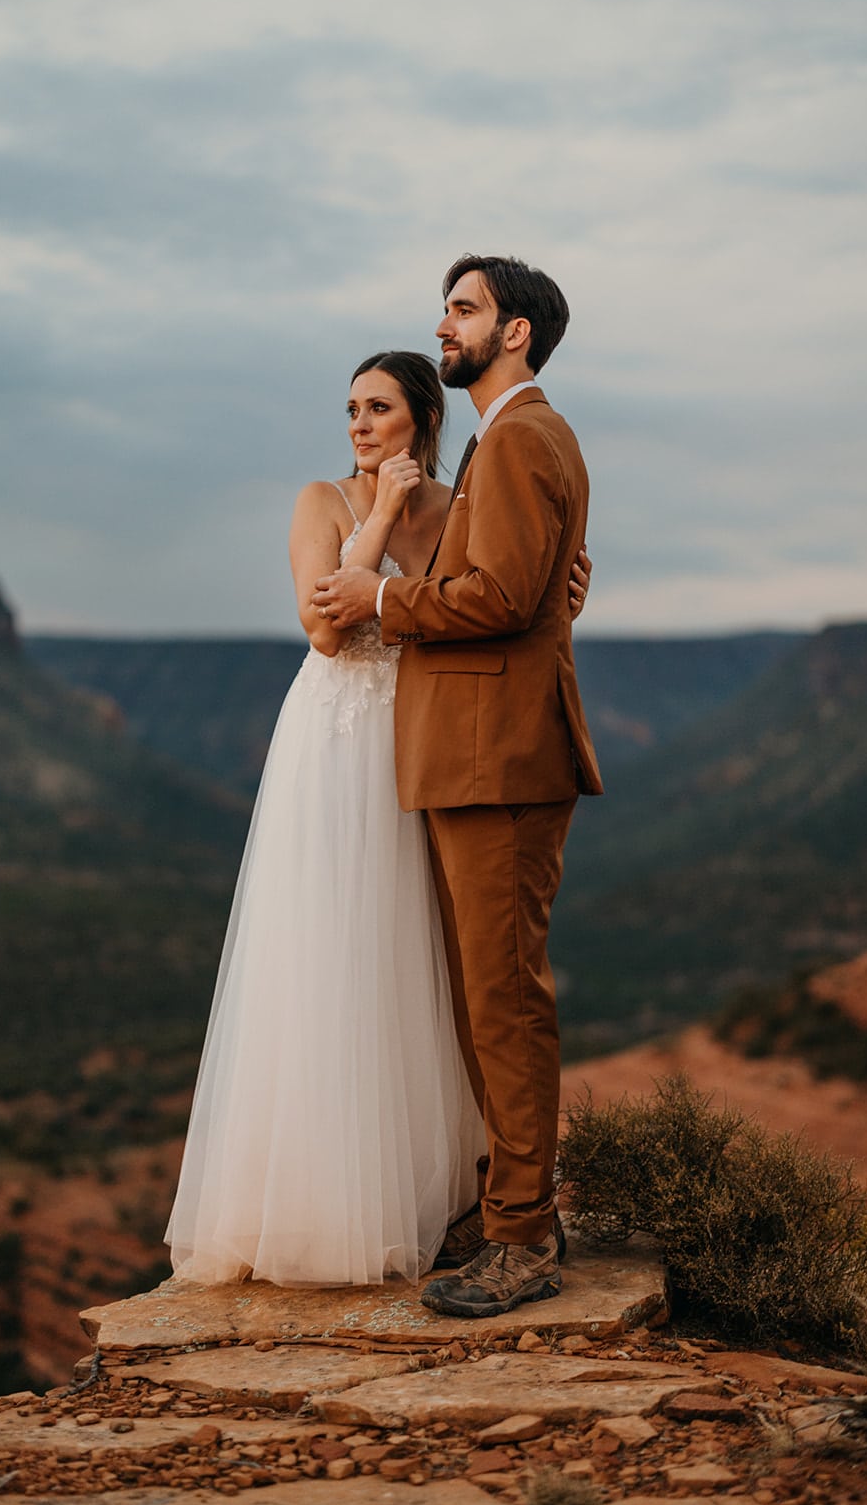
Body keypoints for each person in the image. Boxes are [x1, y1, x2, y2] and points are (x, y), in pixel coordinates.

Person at [166, 348, 592, 1289]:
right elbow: (326, 625)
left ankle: (453, 1200)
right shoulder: (325, 500)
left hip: (431, 748)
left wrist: (566, 581)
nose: (358, 425)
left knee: (431, 972)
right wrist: (387, 510)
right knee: (330, 957)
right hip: (335, 750)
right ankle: (324, 1204)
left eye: (379, 409)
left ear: (423, 423)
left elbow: (504, 592)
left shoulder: (465, 506)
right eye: (351, 409)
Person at [314, 257, 603, 1318]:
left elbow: (503, 595)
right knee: (480, 997)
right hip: (470, 756)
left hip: (500, 760)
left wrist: (383, 599)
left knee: (502, 997)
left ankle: (523, 1237)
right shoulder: (505, 439)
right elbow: (535, 582)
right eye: (448, 307)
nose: (445, 323)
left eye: (465, 308)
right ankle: (507, 1204)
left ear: (515, 332)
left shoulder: (523, 435)